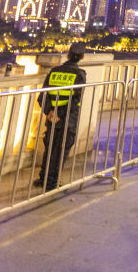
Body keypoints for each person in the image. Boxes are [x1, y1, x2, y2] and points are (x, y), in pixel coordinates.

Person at [35, 42, 87, 190]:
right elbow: (75, 100)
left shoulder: (54, 71)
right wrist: (60, 114)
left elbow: (42, 96)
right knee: (61, 151)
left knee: (50, 148)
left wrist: (50, 112)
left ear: (68, 54)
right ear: (82, 57)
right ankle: (51, 183)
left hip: (52, 119)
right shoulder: (80, 75)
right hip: (67, 120)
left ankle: (43, 178)